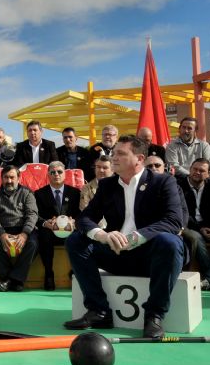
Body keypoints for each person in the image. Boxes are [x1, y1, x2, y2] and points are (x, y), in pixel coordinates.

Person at [64, 135, 185, 339]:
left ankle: (154, 316)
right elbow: (84, 219)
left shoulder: (164, 181)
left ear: (139, 159)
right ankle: (99, 311)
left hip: (151, 256)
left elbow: (174, 221)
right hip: (117, 253)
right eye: (113, 153)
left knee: (170, 242)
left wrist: (136, 237)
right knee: (75, 241)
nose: (113, 157)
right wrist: (103, 235)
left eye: (120, 153)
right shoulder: (107, 185)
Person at [0, 165, 38, 292]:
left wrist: (24, 234)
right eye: (6, 177)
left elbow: (32, 214)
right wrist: (1, 234)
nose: (9, 181)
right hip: (2, 229)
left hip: (22, 229)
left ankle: (10, 280)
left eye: (12, 177)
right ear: (1, 178)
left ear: (18, 178)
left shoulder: (27, 193)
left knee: (33, 242)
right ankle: (15, 280)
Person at [35, 161, 81, 290]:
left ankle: (75, 271)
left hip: (70, 230)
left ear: (65, 174)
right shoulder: (39, 193)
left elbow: (81, 214)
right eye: (53, 172)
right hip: (50, 231)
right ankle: (49, 274)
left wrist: (74, 222)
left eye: (59, 172)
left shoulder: (75, 193)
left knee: (80, 237)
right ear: (48, 175)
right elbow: (35, 215)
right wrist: (46, 223)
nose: (56, 174)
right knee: (43, 235)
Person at [175, 158, 210, 290]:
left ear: (208, 174)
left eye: (201, 170)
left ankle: (208, 279)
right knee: (196, 237)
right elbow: (182, 213)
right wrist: (200, 228)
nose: (197, 172)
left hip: (209, 227)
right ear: (190, 169)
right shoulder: (178, 186)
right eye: (195, 169)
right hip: (186, 226)